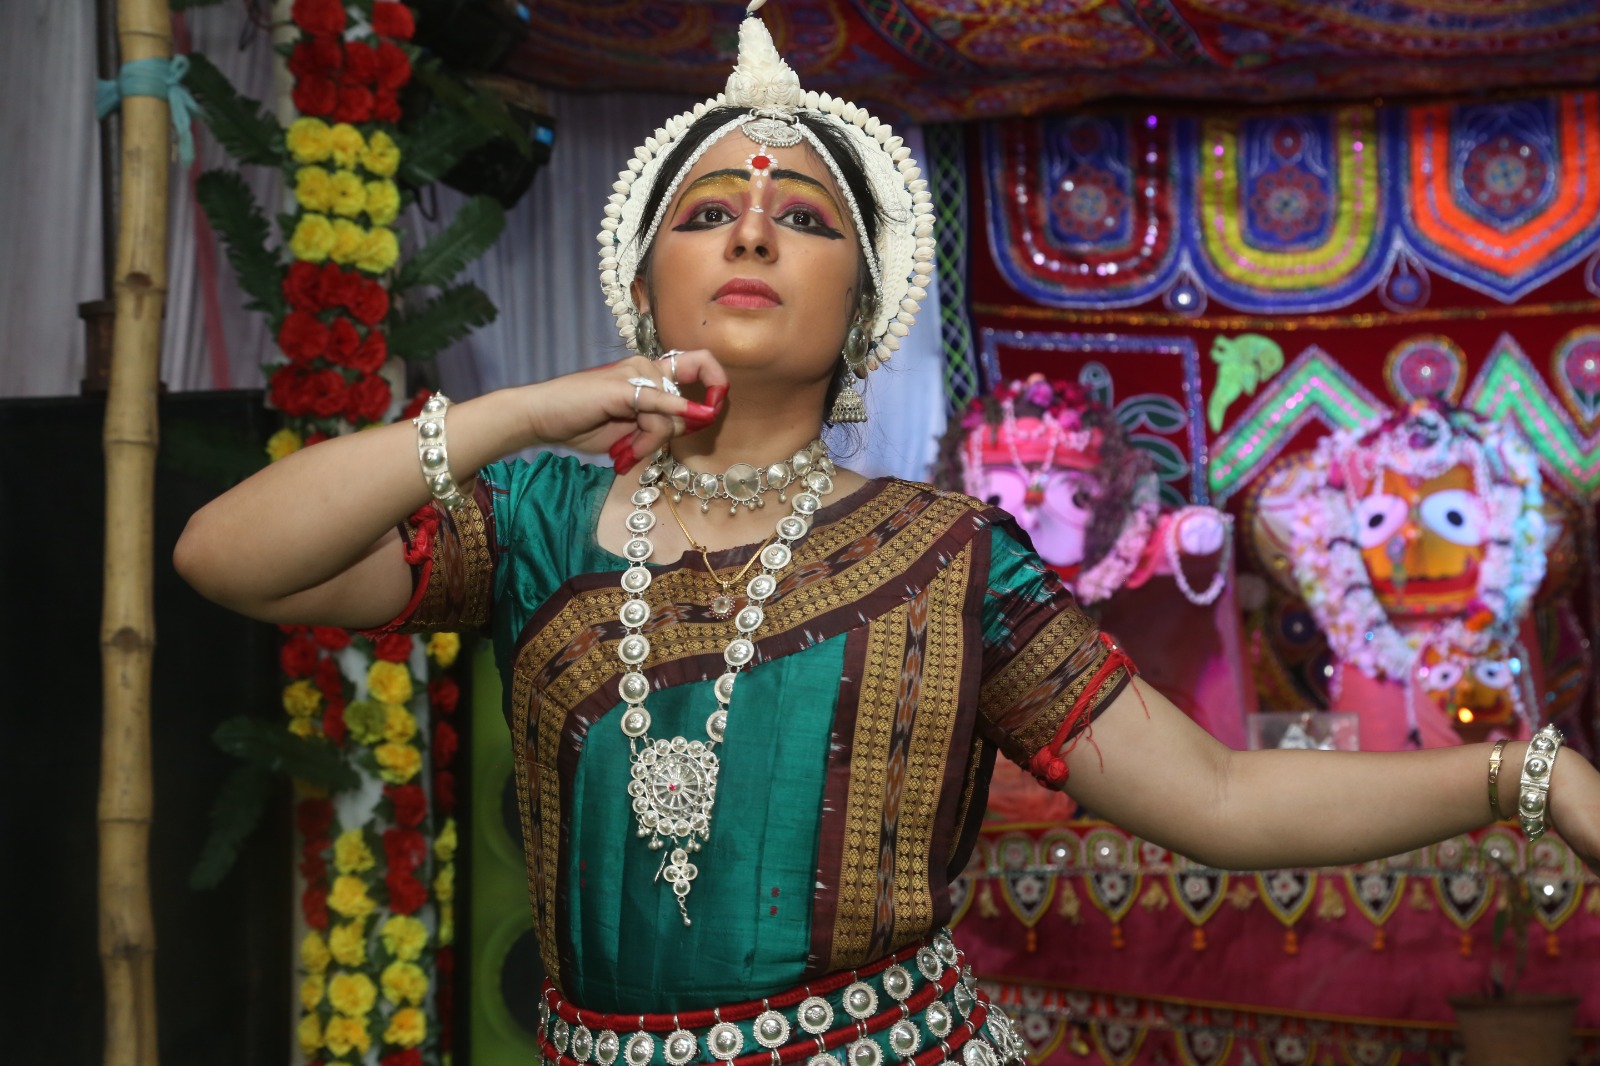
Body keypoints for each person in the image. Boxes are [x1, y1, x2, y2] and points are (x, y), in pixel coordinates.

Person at [176, 5, 1599, 1064]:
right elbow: (228, 557)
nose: (749, 234)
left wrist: (1518, 772)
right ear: (643, 270)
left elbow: (1218, 798)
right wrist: (531, 408)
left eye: (799, 217)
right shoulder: (534, 521)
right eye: (708, 211)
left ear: (859, 307)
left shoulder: (947, 554)